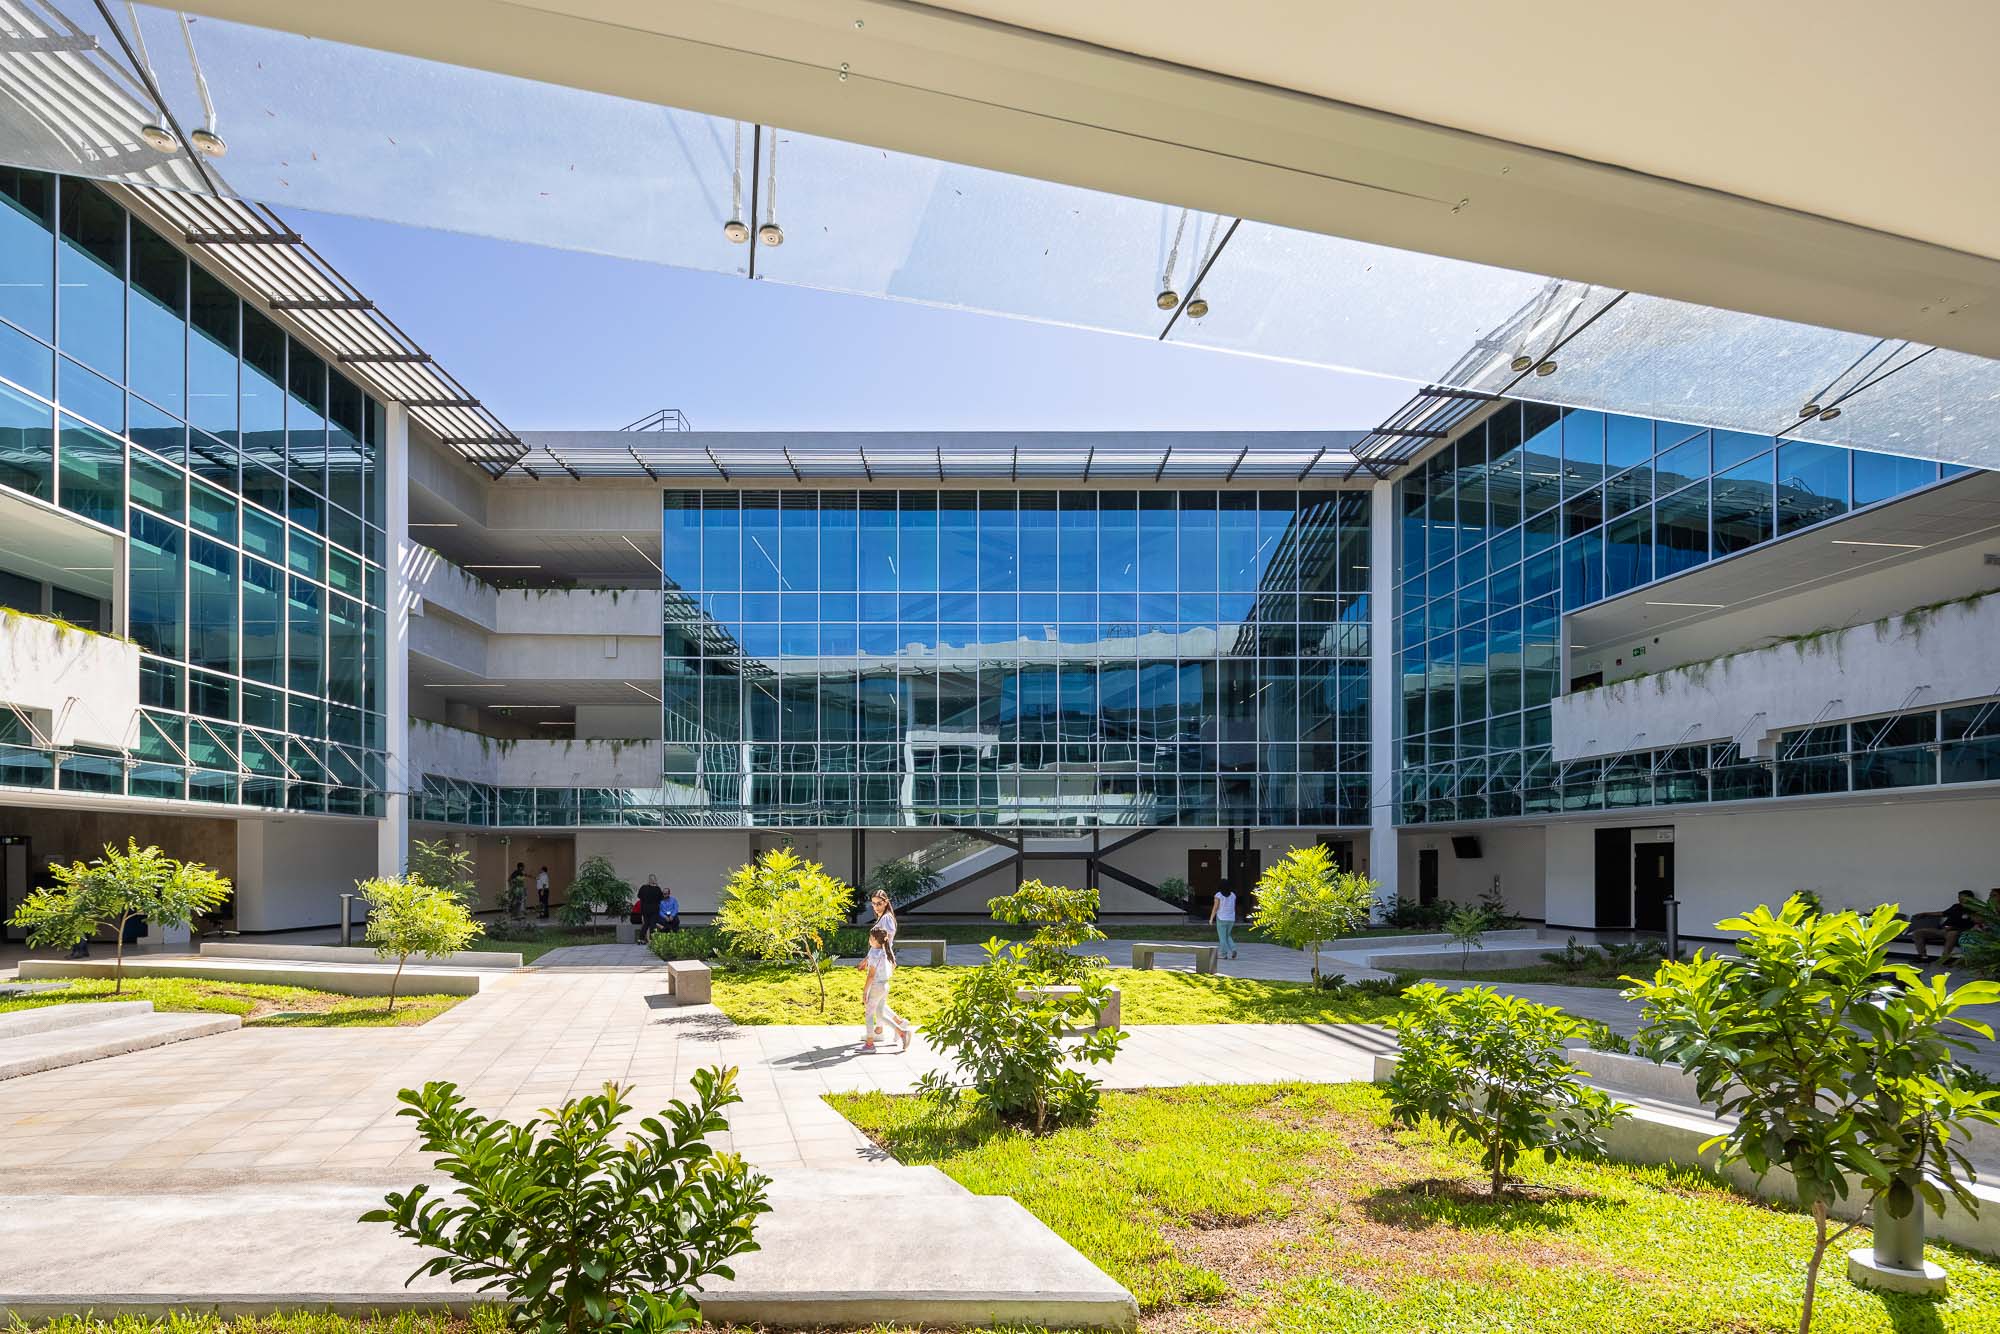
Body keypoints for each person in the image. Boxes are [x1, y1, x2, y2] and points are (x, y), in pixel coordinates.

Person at [859, 925, 913, 1053]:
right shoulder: (885, 951)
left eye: (871, 938)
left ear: (876, 940)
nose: (869, 939)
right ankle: (902, 1032)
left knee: (869, 1015)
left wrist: (865, 991)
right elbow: (893, 965)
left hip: (876, 986)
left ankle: (870, 1044)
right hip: (885, 985)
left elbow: (871, 975)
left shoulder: (874, 953)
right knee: (880, 1013)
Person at [1906, 890, 1980, 964]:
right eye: (1959, 897)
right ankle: (1923, 957)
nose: (1959, 899)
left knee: (1952, 934)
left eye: (1962, 897)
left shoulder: (1974, 909)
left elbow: (1976, 922)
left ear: (1970, 898)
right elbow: (1943, 913)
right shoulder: (1956, 906)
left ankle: (1944, 958)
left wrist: (1954, 927)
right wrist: (1925, 913)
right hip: (1942, 930)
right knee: (1918, 932)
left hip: (1956, 931)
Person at [1209, 884, 1238, 960]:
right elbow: (1233, 907)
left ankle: (1223, 954)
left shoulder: (1218, 895)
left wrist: (1211, 918)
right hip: (1231, 918)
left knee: (1222, 937)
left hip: (1221, 918)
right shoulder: (1233, 895)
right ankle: (1233, 949)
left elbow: (1215, 907)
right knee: (1227, 935)